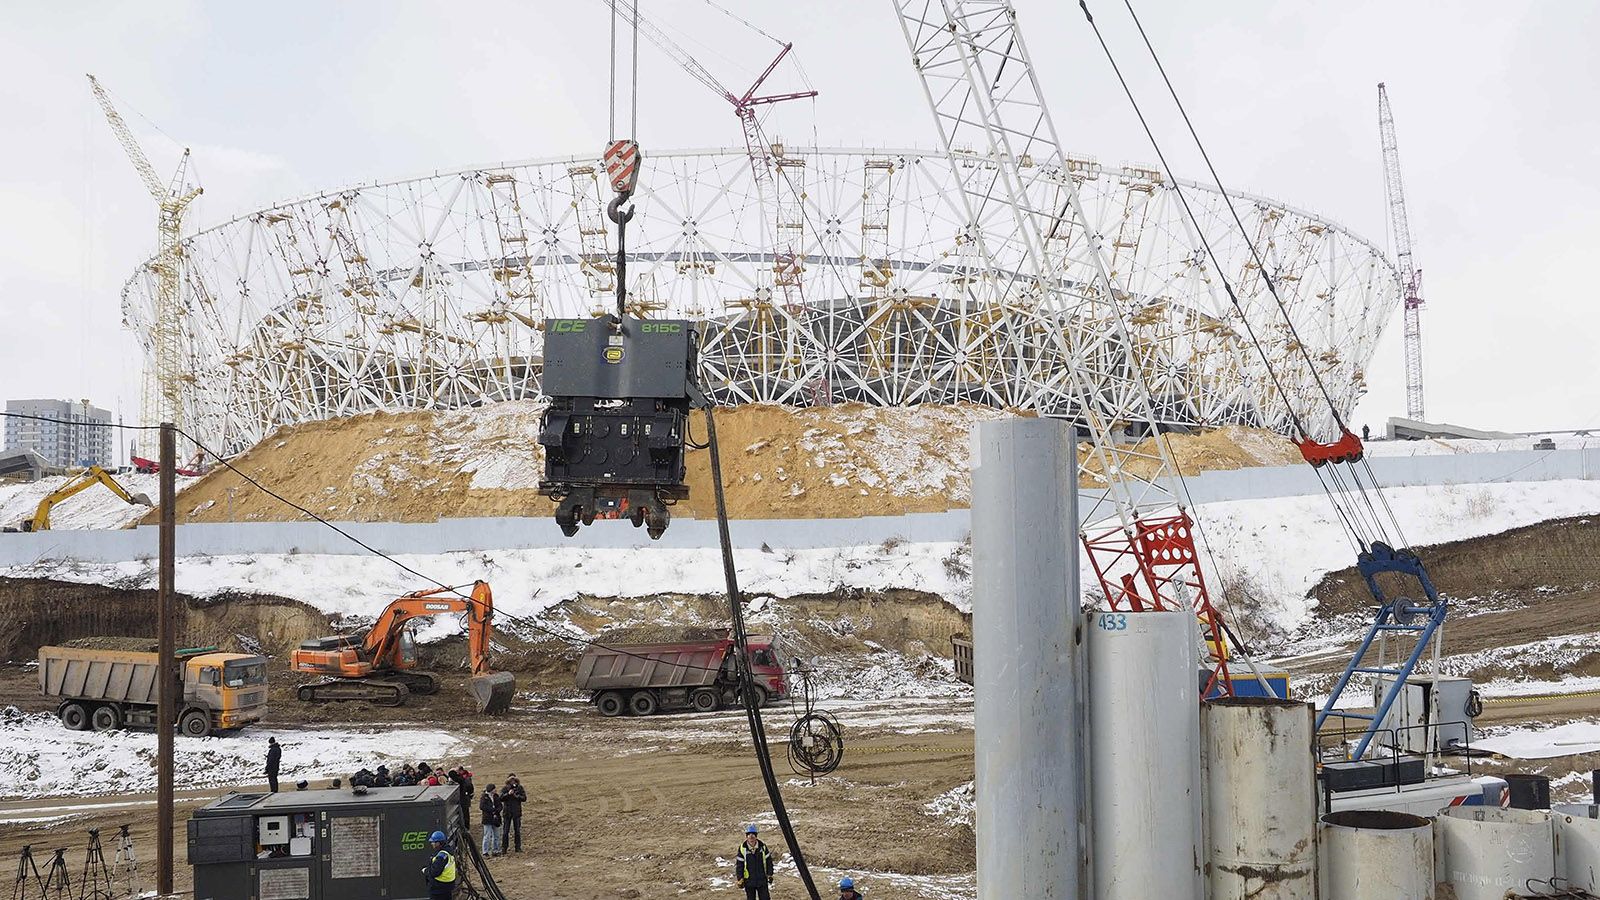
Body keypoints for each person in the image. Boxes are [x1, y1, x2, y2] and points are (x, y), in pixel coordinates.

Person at [733, 825, 774, 900]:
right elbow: (740, 865)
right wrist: (740, 878)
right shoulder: (742, 849)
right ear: (746, 837)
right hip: (749, 881)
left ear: (756, 836)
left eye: (753, 835)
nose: (751, 838)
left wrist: (770, 874)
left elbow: (769, 862)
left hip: (762, 880)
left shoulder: (763, 847)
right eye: (749, 835)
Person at [421, 831, 457, 899]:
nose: (432, 844)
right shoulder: (448, 851)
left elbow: (434, 872)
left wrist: (425, 870)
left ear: (438, 843)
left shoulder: (441, 856)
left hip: (438, 888)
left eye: (433, 842)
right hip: (447, 886)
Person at [500, 774, 527, 853]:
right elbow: (501, 798)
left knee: (517, 831)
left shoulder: (519, 788)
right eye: (511, 781)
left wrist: (516, 796)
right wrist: (508, 794)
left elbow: (524, 798)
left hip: (516, 812)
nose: (513, 783)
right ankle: (504, 848)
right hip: (507, 812)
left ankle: (517, 847)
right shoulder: (505, 788)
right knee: (505, 831)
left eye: (514, 781)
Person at [478, 783, 503, 857]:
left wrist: (496, 811)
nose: (495, 790)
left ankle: (496, 850)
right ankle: (485, 851)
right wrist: (492, 810)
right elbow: (482, 806)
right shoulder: (484, 797)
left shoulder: (496, 796)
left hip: (496, 818)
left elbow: (500, 805)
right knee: (487, 835)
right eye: (494, 789)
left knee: (497, 835)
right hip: (487, 818)